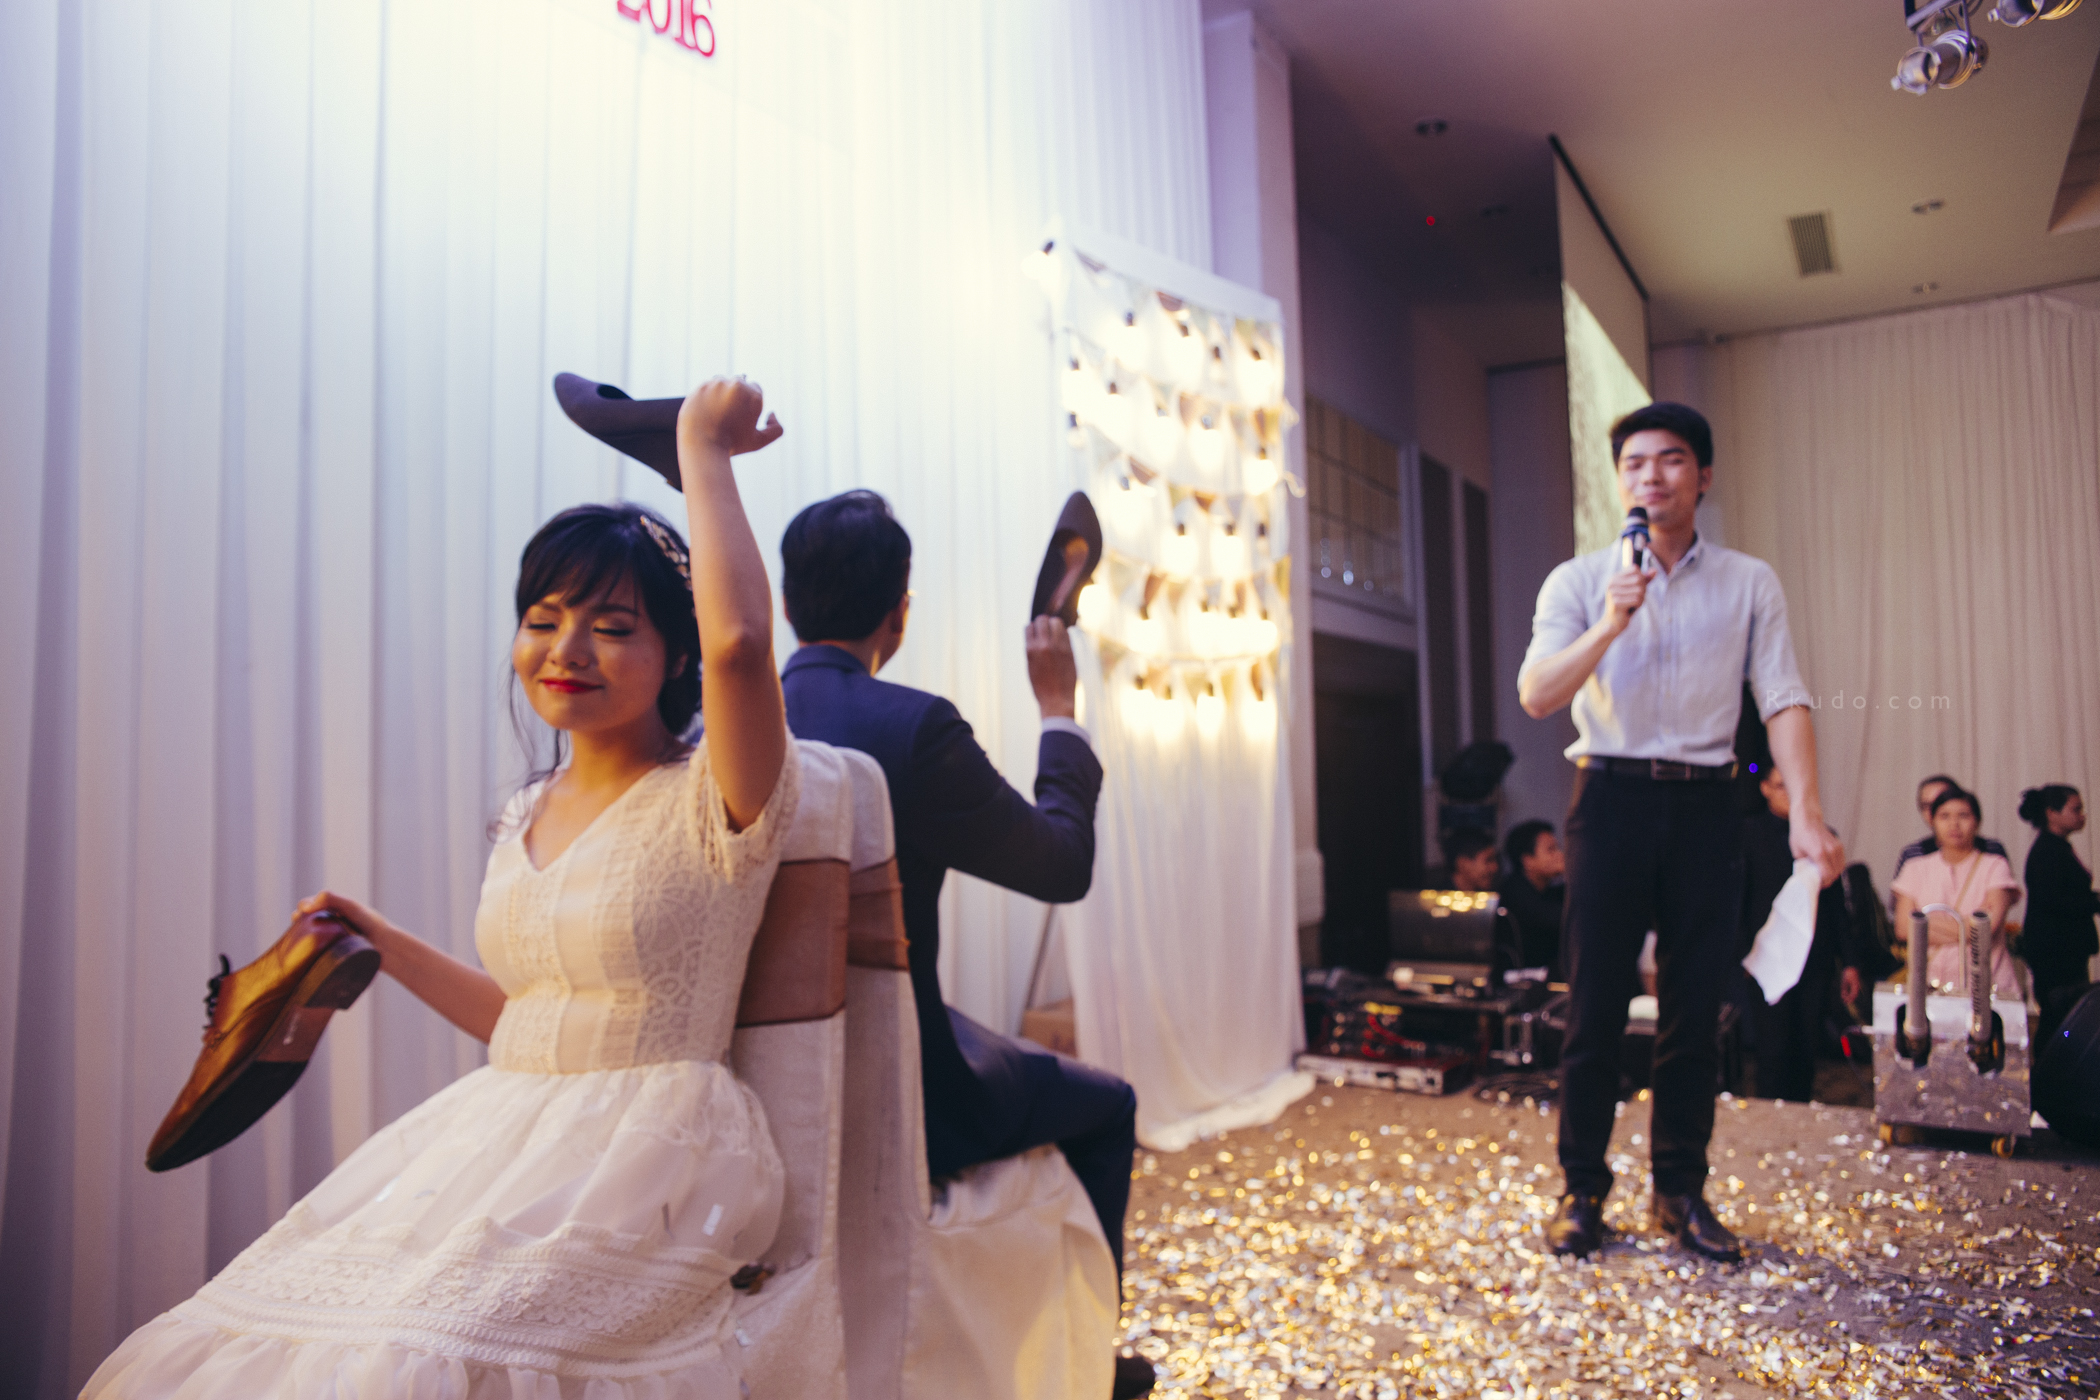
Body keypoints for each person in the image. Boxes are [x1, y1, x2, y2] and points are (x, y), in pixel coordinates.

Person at [88, 379, 803, 1395]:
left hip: (655, 1155)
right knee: (260, 1335)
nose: (565, 650)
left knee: (415, 1354)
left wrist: (702, 448)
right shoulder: (526, 812)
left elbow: (742, 648)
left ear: (674, 651)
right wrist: (379, 939)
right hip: (502, 1129)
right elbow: (528, 1018)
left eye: (612, 625)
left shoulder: (718, 793)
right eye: (543, 619)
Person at [774, 491, 1152, 1400]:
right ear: (899, 612)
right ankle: (1089, 1358)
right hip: (907, 1090)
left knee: (973, 1026)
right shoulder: (914, 729)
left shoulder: (717, 725)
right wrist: (1057, 709)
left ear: (786, 603)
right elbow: (1061, 864)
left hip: (770, 1081)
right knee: (1110, 1105)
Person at [1517, 401, 1843, 1263]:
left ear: (1703, 475)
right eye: (1634, 463)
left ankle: (1679, 1191)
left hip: (1706, 805)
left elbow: (1783, 695)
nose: (1650, 476)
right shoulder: (1579, 581)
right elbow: (1538, 694)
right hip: (1609, 800)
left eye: (1668, 460)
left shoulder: (1748, 581)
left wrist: (1807, 812)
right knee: (1593, 1007)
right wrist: (1610, 623)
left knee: (1696, 1011)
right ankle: (1582, 1189)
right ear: (1619, 481)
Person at [1739, 762, 1849, 1102]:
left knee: (1807, 1044)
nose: (1788, 793)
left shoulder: (1822, 836)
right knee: (1772, 1046)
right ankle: (1771, 1113)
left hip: (1813, 957)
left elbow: (1836, 905)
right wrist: (1740, 954)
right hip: (1766, 954)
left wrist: (1850, 961)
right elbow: (1739, 898)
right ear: (1765, 788)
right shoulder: (1748, 833)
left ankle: (1801, 1110)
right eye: (1780, 785)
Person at [1891, 786, 2021, 999]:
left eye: (1963, 815)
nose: (1954, 824)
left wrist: (1926, 924)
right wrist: (1967, 925)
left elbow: (1987, 928)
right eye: (1944, 816)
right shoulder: (1914, 868)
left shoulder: (1995, 865)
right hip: (1930, 988)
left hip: (1988, 987)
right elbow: (1904, 929)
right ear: (1932, 821)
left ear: (1977, 822)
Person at [2017, 784, 2096, 1041]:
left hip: (2061, 950)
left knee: (2064, 1017)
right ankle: (2050, 1064)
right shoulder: (2048, 851)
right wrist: (2095, 902)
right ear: (2052, 813)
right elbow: (2055, 901)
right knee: (2060, 1018)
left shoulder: (2055, 847)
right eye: (2076, 809)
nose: (2082, 816)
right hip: (2056, 952)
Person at [1892, 773, 2009, 884]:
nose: (1934, 810)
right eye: (1927, 806)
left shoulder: (1991, 850)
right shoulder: (1912, 854)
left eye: (1942, 801)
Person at [1495, 820, 1566, 977]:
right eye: (1551, 850)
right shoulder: (1515, 891)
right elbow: (1562, 919)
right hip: (1516, 978)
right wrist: (1575, 874)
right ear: (1528, 860)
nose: (1560, 855)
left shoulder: (1550, 891)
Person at [1443, 826, 1500, 894]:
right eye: (1488, 860)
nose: (1495, 867)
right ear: (1463, 863)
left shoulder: (1491, 895)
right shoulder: (1437, 898)